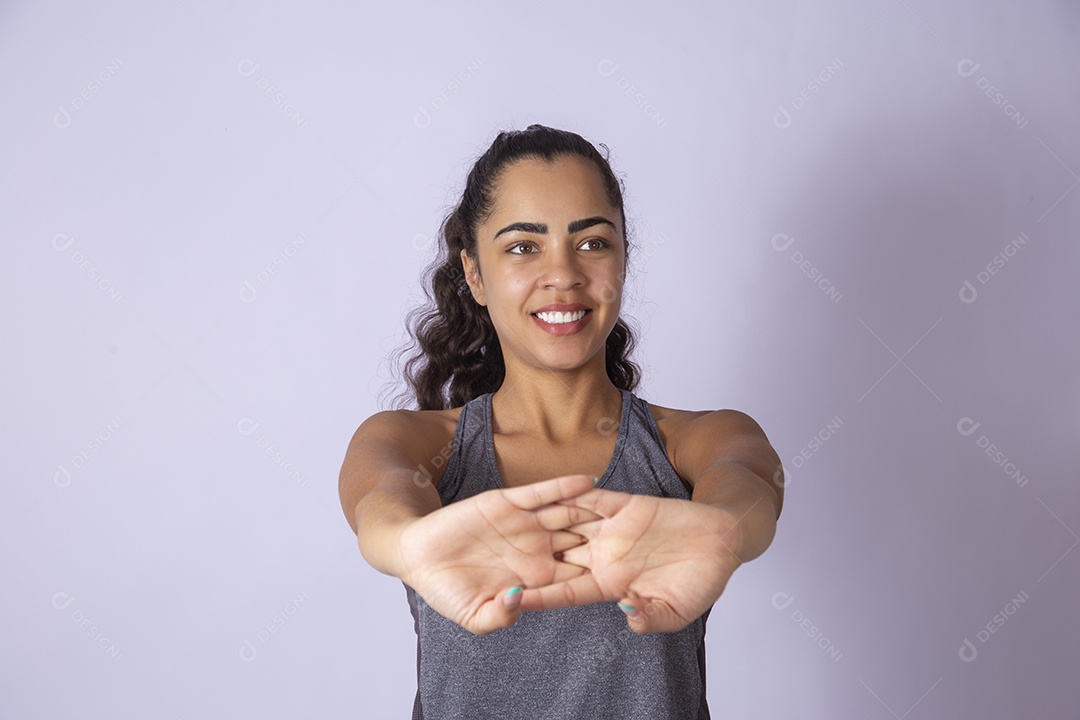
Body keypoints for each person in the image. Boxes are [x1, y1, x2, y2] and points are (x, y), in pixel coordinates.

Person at [338, 124, 784, 720]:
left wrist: (723, 532)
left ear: (624, 257)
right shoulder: (413, 442)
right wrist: (410, 547)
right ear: (475, 273)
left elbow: (748, 484)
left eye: (593, 242)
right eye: (523, 246)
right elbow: (380, 503)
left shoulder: (698, 439)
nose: (564, 274)